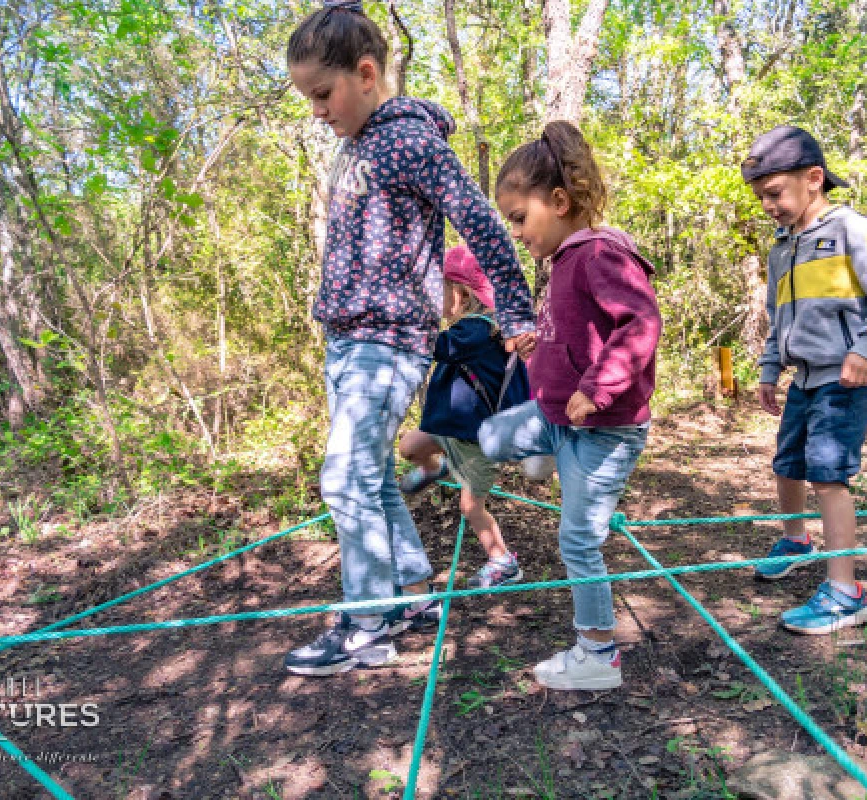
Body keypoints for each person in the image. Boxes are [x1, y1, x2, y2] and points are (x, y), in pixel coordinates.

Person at [282, 0, 536, 677]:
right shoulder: (357, 145)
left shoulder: (409, 140)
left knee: (344, 479)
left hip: (387, 338)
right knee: (369, 478)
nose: (317, 110)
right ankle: (414, 594)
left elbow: (482, 223)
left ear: (366, 73)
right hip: (347, 338)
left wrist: (515, 312)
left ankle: (368, 624)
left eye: (323, 94)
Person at [479, 121, 661, 691]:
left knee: (578, 540)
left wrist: (598, 386)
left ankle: (597, 656)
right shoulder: (565, 260)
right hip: (560, 419)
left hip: (602, 428)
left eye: (519, 218)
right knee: (490, 438)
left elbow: (640, 322)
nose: (516, 233)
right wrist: (541, 342)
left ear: (558, 202)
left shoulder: (600, 254)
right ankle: (541, 456)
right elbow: (575, 328)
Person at [743, 125, 867, 635]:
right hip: (803, 380)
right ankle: (796, 541)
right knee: (786, 464)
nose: (768, 205)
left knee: (827, 474)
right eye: (761, 197)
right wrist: (769, 368)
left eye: (775, 193)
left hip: (845, 380)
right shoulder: (782, 248)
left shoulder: (851, 231)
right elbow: (780, 319)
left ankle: (845, 591)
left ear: (814, 179)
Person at [398, 245, 529, 589]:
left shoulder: (477, 329)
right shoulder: (469, 328)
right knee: (410, 446)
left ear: (459, 293)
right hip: (448, 431)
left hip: (476, 443)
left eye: (436, 289)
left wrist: (404, 322)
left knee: (471, 507)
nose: (431, 297)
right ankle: (435, 467)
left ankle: (502, 561)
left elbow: (436, 347)